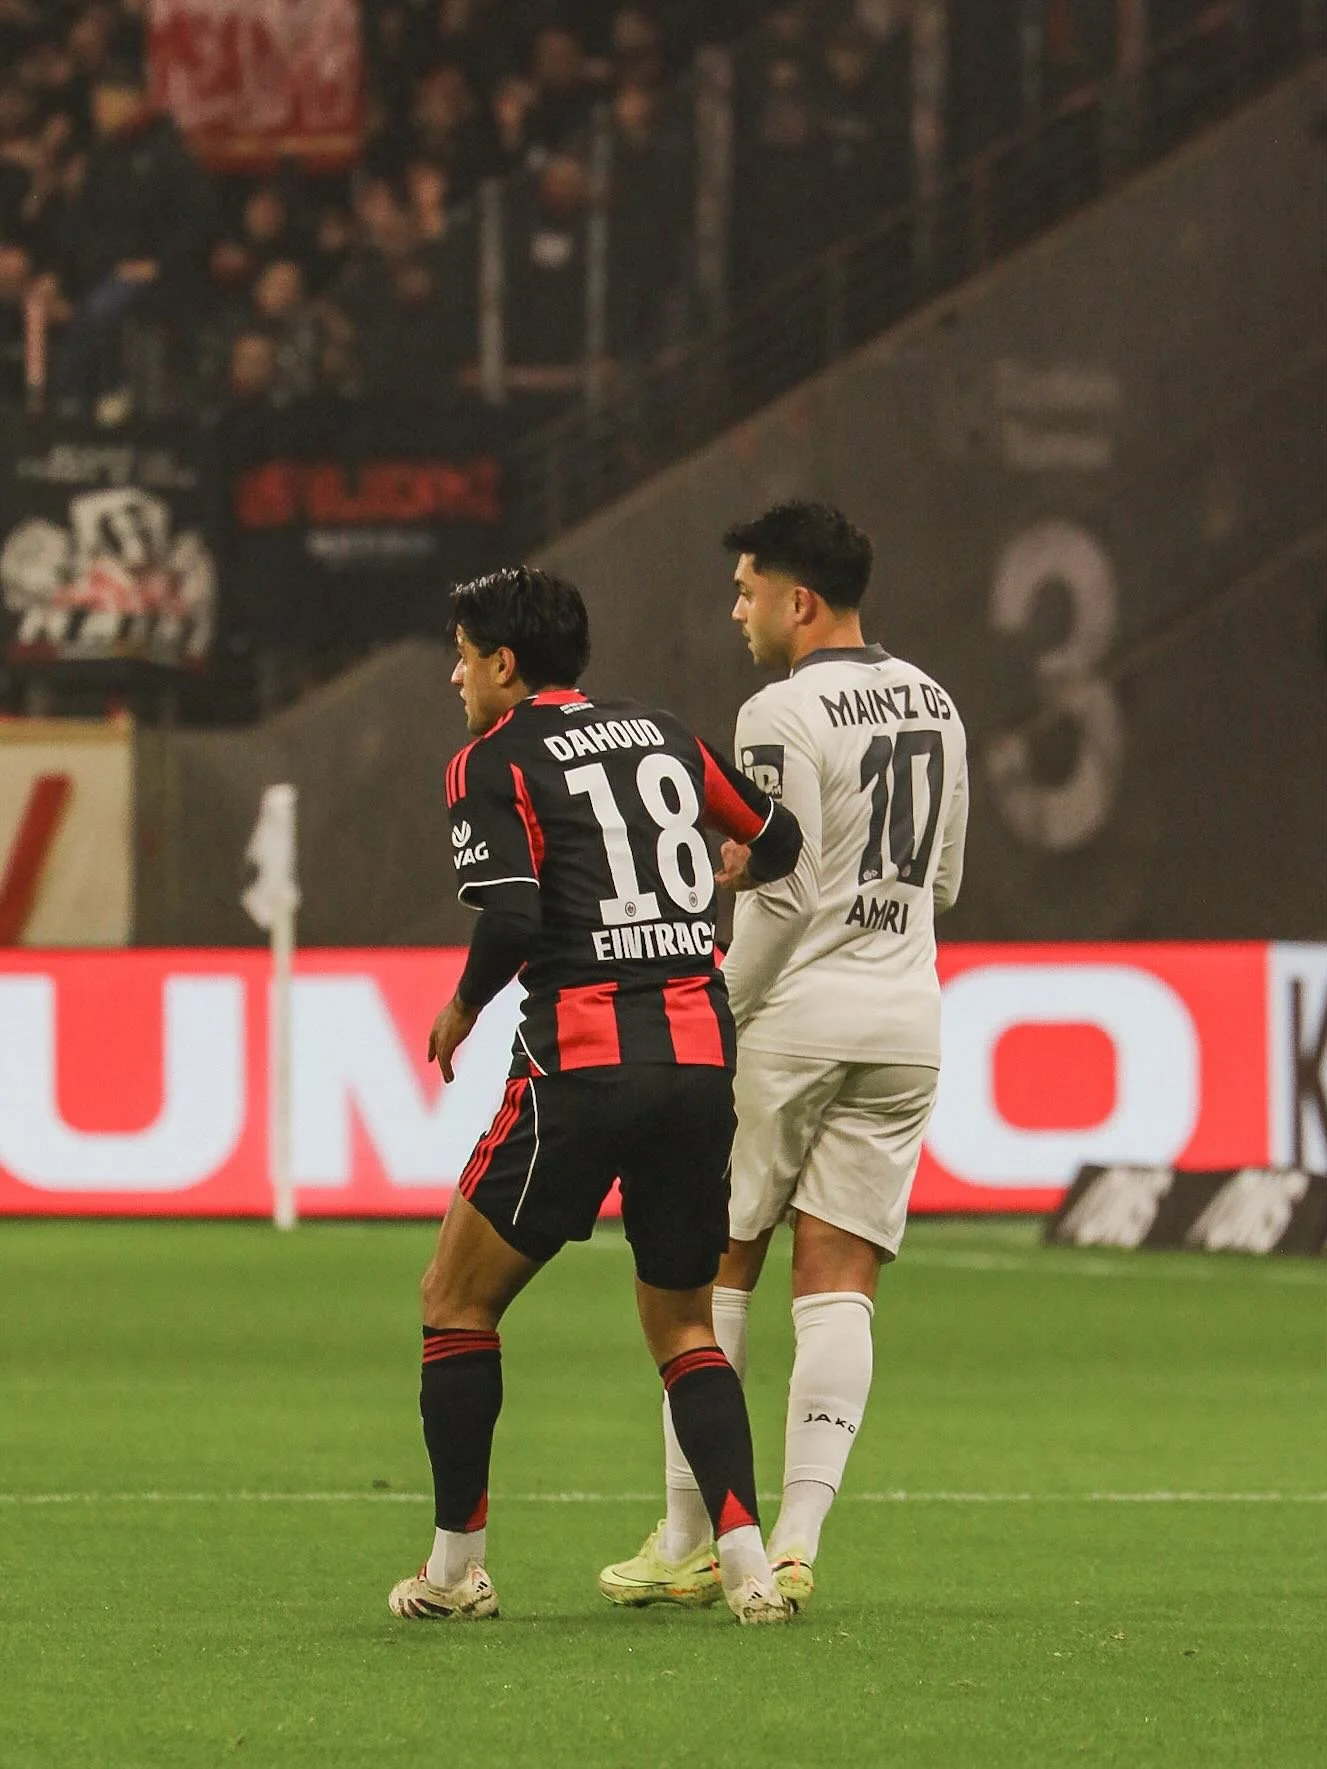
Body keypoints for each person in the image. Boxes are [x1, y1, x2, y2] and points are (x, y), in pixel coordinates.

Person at [387, 565, 805, 1627]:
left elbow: (519, 916)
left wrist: (463, 1004)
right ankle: (751, 1564)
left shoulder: (492, 760)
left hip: (580, 1064)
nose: (455, 675)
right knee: (683, 1321)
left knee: (455, 1298)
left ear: (505, 663)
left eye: (463, 654)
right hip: (700, 1062)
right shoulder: (666, 732)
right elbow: (781, 837)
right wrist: (724, 878)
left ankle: (453, 1567)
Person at [600, 500, 969, 1612]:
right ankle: (796, 1541)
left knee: (708, 1266)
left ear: (797, 599)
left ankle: (691, 1533)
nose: (737, 610)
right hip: (905, 1011)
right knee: (842, 1277)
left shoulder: (778, 709)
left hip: (794, 1017)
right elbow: (941, 879)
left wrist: (714, 1002)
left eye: (747, 589)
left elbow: (787, 883)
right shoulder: (937, 700)